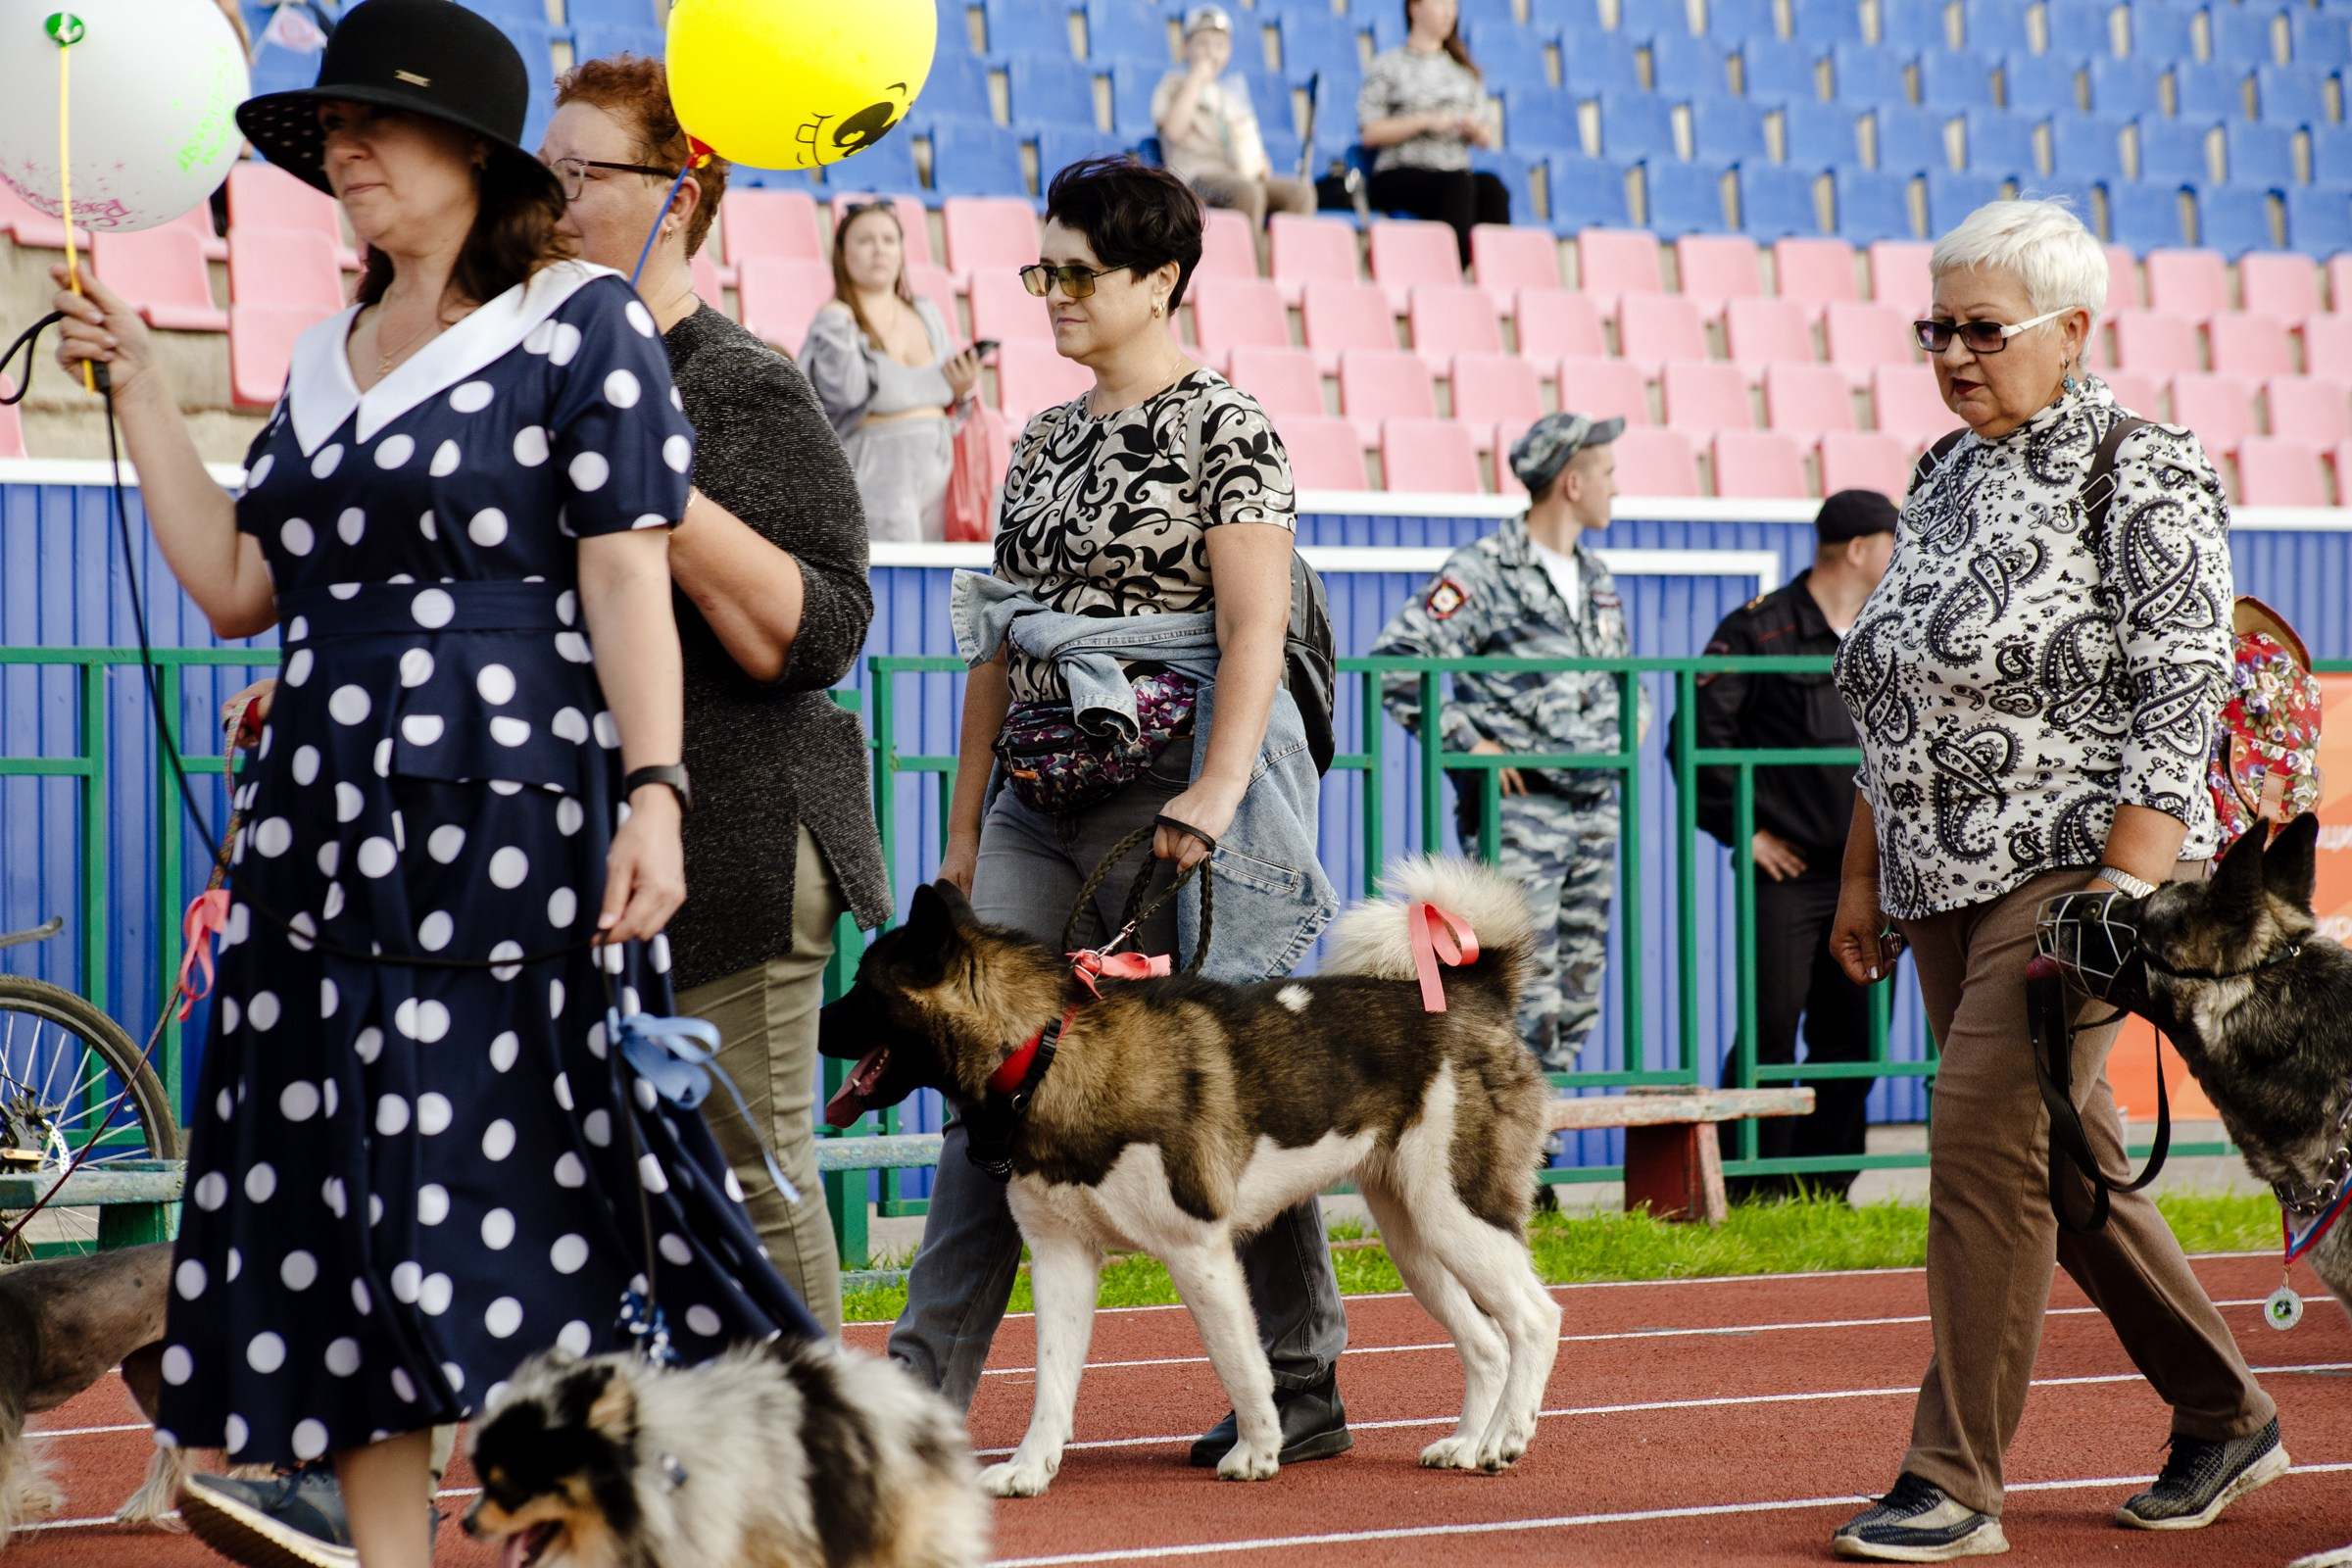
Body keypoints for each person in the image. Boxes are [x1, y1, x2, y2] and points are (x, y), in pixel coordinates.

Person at [48, 5, 819, 1566]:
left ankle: (639, 1525)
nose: (339, 152)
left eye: (369, 125)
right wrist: (139, 393)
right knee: (334, 1225)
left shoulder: (576, 325)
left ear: (472, 152)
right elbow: (239, 582)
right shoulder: (319, 357)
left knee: (517, 1199)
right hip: (318, 831)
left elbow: (624, 578)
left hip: (509, 815)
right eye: (323, 132)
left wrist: (656, 790)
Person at [1826, 200, 2277, 1560]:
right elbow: (1898, 694)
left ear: (2072, 332)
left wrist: (2123, 886)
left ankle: (1952, 1480)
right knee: (2060, 1164)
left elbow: (2182, 679)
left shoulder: (2144, 467)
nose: (1955, 355)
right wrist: (1864, 878)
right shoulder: (1943, 471)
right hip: (1935, 875)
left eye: (1984, 329)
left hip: (2080, 869)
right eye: (1937, 330)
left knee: (1976, 1143)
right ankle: (2226, 1413)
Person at [887, 156, 1349, 1469]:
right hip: (1037, 799)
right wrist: (965, 827)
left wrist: (1214, 787)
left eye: (1080, 273)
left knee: (1226, 1087)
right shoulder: (1040, 437)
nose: (1055, 295)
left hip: (1173, 800)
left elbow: (1254, 630)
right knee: (994, 1086)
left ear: (1163, 278)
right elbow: (997, 644)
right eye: (1044, 271)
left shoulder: (1230, 427)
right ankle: (919, 1399)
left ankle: (1301, 1379)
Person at [1370, 412, 1650, 1073]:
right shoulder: (1486, 569)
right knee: (1520, 980)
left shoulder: (1596, 575)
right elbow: (1400, 661)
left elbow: (1622, 673)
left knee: (1579, 984)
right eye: (1608, 473)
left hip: (1594, 807)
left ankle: (1536, 1148)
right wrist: (1472, 743)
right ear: (1572, 482)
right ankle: (1502, 1149)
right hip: (1523, 813)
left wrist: (1633, 715)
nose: (1617, 488)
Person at [1682, 490, 1896, 1204]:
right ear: (1861, 549)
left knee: (1855, 1038)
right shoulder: (1757, 631)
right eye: (1891, 543)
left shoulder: (1892, 627)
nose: (1900, 557)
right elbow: (1696, 738)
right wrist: (1743, 832)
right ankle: (1750, 1186)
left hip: (1870, 874)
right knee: (1771, 1033)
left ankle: (1824, 1189)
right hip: (1792, 874)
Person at [801, 202, 982, 543]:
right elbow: (846, 395)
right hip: (878, 470)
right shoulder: (836, 320)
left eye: (888, 239)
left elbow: (955, 404)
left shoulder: (926, 312)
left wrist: (964, 389)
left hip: (939, 469)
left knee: (936, 585)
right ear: (842, 253)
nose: (879, 249)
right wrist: (835, 328)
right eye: (865, 240)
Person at [1355, 0, 1508, 267]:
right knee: (1458, 185)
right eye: (1441, 3)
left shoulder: (1463, 72)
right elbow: (1370, 131)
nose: (1450, 12)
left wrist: (1473, 128)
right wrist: (1424, 122)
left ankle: (1493, 280)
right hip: (1400, 172)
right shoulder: (1389, 64)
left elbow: (1487, 136)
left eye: (1454, 5)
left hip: (1454, 172)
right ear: (1415, 8)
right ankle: (1450, 274)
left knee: (1493, 189)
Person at [1152, 5, 1315, 237]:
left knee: (1300, 194)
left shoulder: (1229, 96)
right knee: (1249, 193)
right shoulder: (1174, 84)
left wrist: (1257, 162)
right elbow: (1173, 132)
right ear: (1185, 48)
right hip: (1195, 177)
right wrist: (1196, 79)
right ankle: (1253, 271)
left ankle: (1286, 263)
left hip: (1234, 174)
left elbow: (1244, 140)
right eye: (1203, 44)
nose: (1211, 52)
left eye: (1219, 46)